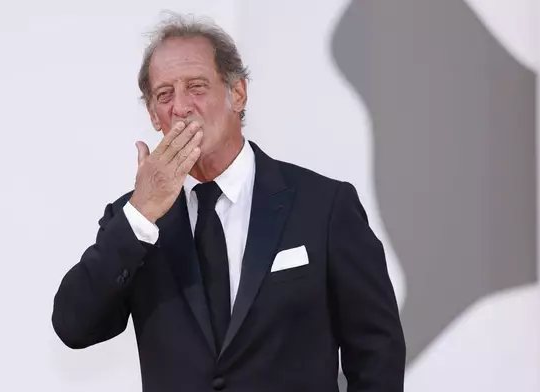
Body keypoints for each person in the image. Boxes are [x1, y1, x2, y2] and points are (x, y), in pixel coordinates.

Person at [52, 13, 406, 392]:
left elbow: (377, 353)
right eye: (165, 94)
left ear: (237, 94)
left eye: (197, 86)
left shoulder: (324, 206)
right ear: (154, 116)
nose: (182, 106)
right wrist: (141, 214)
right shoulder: (135, 221)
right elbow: (74, 325)